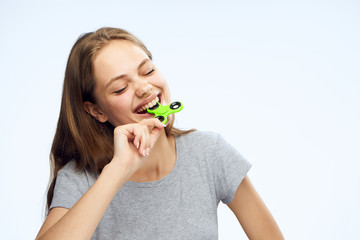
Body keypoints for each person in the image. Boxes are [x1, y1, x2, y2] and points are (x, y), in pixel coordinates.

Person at [35, 27, 284, 240]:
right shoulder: (81, 178)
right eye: (121, 88)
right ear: (97, 111)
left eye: (147, 71)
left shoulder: (210, 153)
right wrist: (117, 171)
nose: (144, 88)